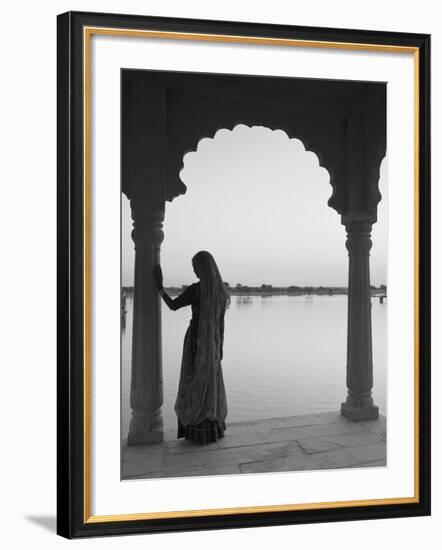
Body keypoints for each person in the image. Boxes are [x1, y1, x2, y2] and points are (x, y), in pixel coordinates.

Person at [152, 251, 229, 444]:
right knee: (209, 385)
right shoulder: (220, 291)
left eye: (195, 267)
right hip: (212, 345)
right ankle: (212, 429)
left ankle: (196, 429)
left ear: (202, 267)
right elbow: (221, 324)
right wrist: (220, 348)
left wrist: (159, 287)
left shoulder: (196, 290)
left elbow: (173, 305)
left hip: (196, 343)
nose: (194, 271)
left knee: (194, 383)